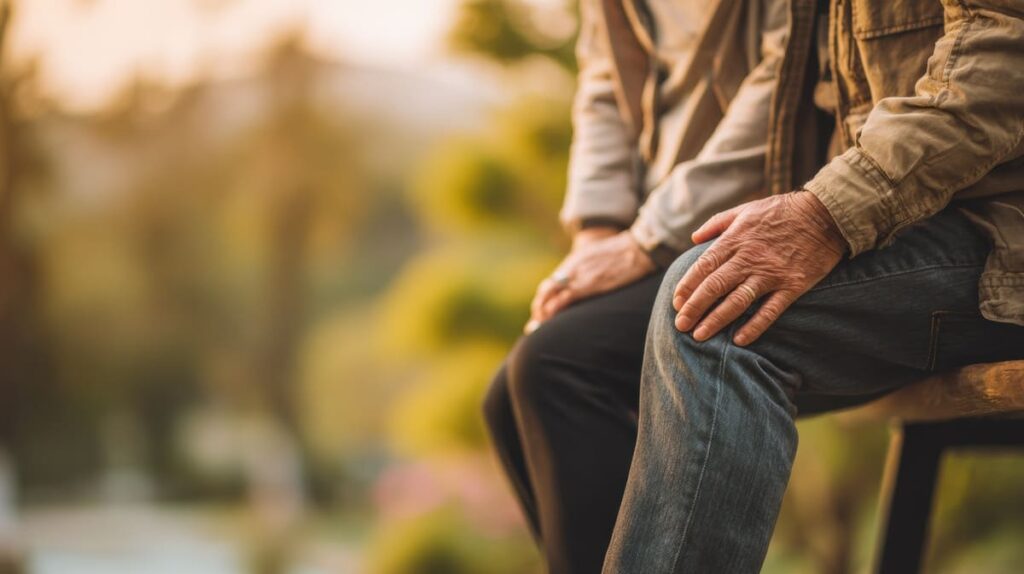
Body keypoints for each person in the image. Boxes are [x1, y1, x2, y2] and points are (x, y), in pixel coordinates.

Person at [601, 0, 1024, 572]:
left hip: (999, 233)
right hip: (919, 226)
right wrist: (599, 224)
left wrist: (825, 215)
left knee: (714, 317)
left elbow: (1005, 54)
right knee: (559, 362)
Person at [482, 0, 788, 572]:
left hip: (760, 220)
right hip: (660, 219)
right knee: (506, 398)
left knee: (558, 367)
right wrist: (597, 233)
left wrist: (644, 241)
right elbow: (603, 81)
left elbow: (782, 86)